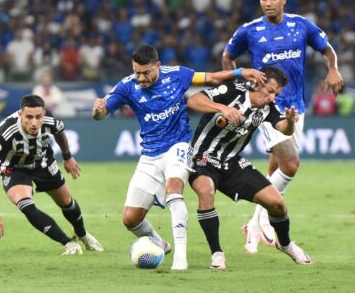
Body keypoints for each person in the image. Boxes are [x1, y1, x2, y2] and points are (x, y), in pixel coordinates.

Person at [91, 44, 264, 270]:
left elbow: (211, 78)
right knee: (130, 219)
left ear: (158, 66)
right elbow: (102, 113)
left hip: (179, 146)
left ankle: (180, 259)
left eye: (146, 72)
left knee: (174, 190)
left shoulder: (177, 75)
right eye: (137, 72)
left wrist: (239, 72)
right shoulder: (127, 86)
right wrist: (97, 111)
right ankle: (160, 243)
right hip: (150, 155)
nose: (141, 77)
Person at [222, 0, 344, 252]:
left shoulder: (300, 25)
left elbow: (327, 48)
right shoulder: (249, 31)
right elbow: (227, 57)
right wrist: (238, 84)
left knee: (278, 168)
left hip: (295, 108)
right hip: (267, 108)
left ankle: (257, 221)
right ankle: (257, 221)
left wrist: (333, 69)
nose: (267, 3)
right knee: (290, 165)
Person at [187, 65, 312, 269]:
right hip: (202, 158)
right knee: (206, 190)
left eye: (277, 94)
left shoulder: (267, 109)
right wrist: (223, 108)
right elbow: (193, 100)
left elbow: (284, 129)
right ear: (256, 83)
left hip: (232, 163)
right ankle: (217, 253)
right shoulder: (232, 91)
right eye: (270, 91)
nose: (273, 98)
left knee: (277, 203)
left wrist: (290, 122)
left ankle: (285, 244)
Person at [0, 95, 103, 255]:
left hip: (43, 162)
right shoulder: (6, 133)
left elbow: (59, 132)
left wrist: (67, 157)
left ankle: (83, 234)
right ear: (20, 114)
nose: (34, 122)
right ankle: (68, 243)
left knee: (67, 202)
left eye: (38, 117)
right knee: (26, 205)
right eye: (29, 117)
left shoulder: (49, 121)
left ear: (44, 114)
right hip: (15, 168)